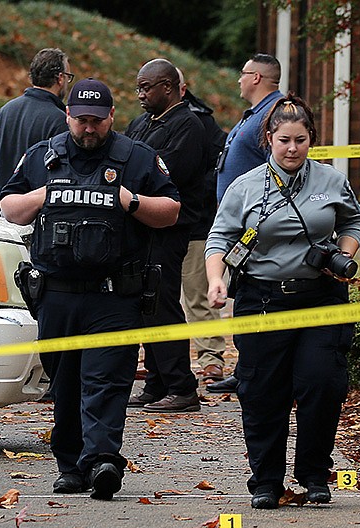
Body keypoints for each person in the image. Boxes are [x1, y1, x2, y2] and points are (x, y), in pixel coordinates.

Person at [0, 78, 180, 501]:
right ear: (68, 117)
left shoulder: (136, 158)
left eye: (97, 121)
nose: (88, 128)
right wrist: (44, 195)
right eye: (81, 120)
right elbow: (9, 207)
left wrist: (130, 201)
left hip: (114, 294)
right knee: (64, 382)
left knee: (106, 380)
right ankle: (70, 467)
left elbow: (171, 211)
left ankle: (102, 460)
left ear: (111, 117)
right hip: (58, 294)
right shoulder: (44, 156)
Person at [205, 93, 360, 509]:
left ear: (311, 139)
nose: (292, 149)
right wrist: (216, 281)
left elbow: (353, 220)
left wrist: (345, 254)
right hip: (262, 299)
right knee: (262, 391)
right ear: (269, 140)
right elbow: (219, 239)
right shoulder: (245, 186)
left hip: (320, 297)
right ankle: (265, 481)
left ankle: (314, 474)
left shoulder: (331, 180)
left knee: (322, 384)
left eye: (300, 140)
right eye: (284, 141)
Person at [125, 58, 207, 413]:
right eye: (139, 87)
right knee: (147, 305)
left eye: (146, 87)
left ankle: (181, 386)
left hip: (171, 227)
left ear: (168, 88)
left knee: (164, 305)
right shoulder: (143, 122)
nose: (140, 94)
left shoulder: (189, 124)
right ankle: (157, 383)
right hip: (142, 227)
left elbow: (165, 172)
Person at [207, 53, 284, 395]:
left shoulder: (276, 114)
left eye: (243, 74)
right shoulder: (256, 114)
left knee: (258, 298)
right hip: (241, 226)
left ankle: (256, 370)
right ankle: (246, 367)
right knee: (245, 297)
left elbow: (281, 167)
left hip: (259, 226)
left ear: (256, 78)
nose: (238, 80)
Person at [177, 68, 227, 383]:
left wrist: (195, 195)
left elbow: (219, 169)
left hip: (196, 223)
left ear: (181, 89)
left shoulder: (203, 123)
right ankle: (165, 362)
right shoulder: (146, 123)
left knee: (198, 295)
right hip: (160, 224)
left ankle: (211, 358)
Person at [0, 47, 73, 208]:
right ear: (60, 78)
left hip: (5, 211)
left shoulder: (6, 111)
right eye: (68, 77)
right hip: (38, 212)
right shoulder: (59, 120)